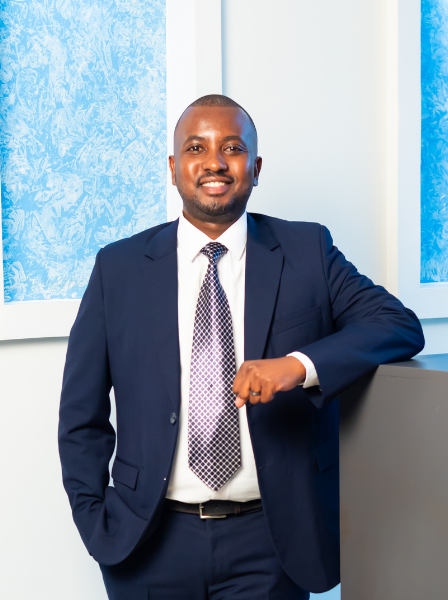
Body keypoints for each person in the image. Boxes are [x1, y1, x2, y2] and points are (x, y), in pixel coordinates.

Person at [58, 94, 425, 599]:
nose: (214, 162)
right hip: (147, 542)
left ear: (255, 166)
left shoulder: (307, 251)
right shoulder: (118, 269)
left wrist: (298, 367)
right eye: (196, 147)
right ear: (173, 167)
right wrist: (95, 520)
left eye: (231, 148)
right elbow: (81, 415)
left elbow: (398, 325)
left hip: (272, 543)